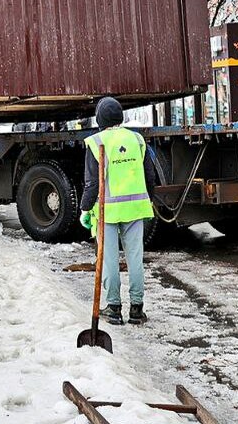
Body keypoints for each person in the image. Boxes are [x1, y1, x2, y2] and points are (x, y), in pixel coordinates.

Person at [80, 97, 160, 326]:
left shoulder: (96, 142)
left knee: (109, 259)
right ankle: (137, 309)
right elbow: (149, 176)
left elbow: (92, 184)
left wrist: (85, 209)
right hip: (135, 209)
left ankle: (114, 308)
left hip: (108, 211)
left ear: (100, 119)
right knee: (135, 258)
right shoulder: (137, 140)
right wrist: (149, 200)